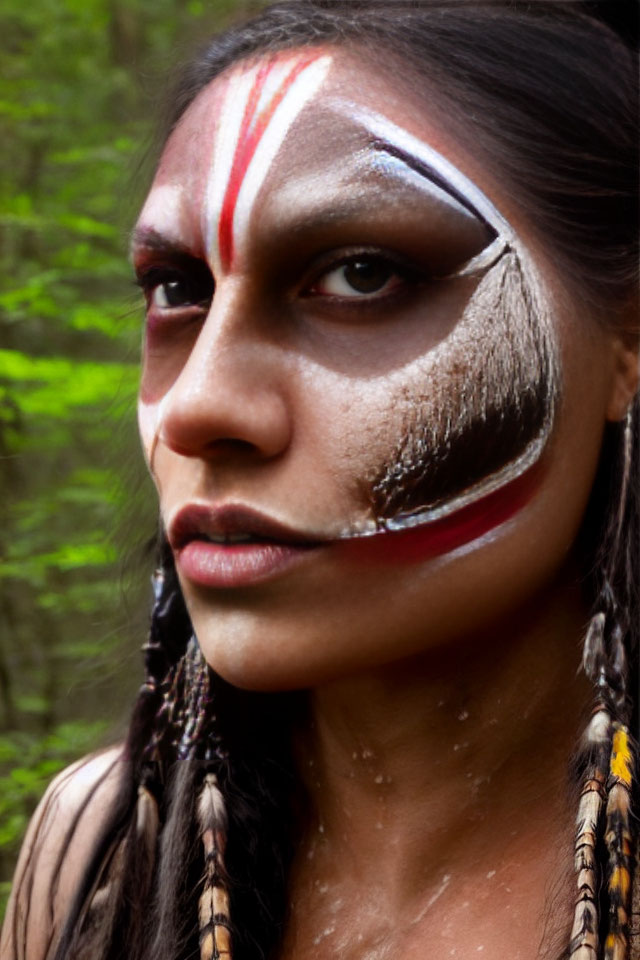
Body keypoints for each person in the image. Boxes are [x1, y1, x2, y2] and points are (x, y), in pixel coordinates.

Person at [2, 2, 638, 958]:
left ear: (626, 338)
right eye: (177, 289)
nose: (197, 409)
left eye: (362, 276)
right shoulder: (101, 857)